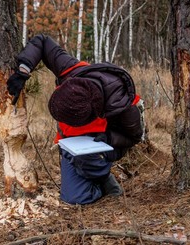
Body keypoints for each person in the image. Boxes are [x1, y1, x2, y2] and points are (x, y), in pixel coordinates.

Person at [7, 34, 143, 205]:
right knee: (74, 198)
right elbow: (42, 41)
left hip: (103, 143)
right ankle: (94, 180)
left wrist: (109, 138)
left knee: (82, 159)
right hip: (71, 145)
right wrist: (23, 71)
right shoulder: (70, 70)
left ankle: (102, 176)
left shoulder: (122, 105)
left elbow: (135, 137)